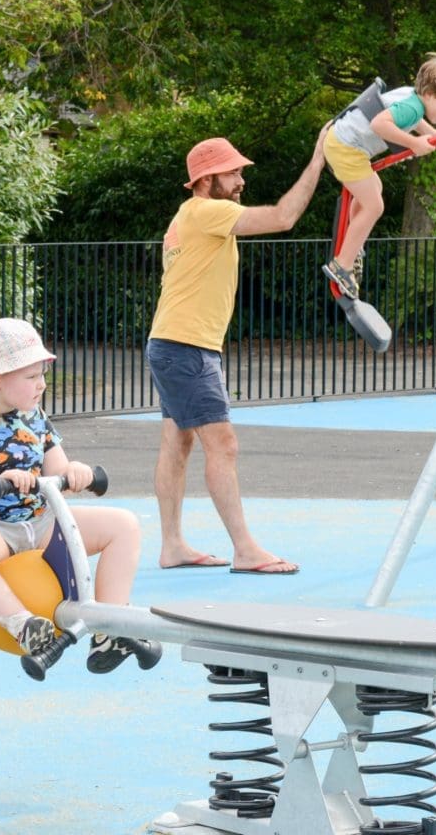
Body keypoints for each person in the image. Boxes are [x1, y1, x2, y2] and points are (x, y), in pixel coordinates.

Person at [0, 318, 161, 673]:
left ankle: (108, 629)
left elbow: (58, 469)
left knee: (123, 525)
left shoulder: (34, 416)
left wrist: (76, 472)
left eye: (42, 375)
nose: (42, 384)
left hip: (41, 521)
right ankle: (22, 625)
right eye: (32, 376)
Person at [147, 128, 328, 574]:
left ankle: (172, 545)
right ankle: (245, 549)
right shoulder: (207, 210)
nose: (241, 181)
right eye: (232, 173)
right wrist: (318, 160)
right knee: (223, 445)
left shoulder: (188, 216)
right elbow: (283, 217)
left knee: (177, 442)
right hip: (186, 345)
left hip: (173, 342)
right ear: (206, 179)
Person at [321, 54, 436, 299]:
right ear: (431, 94)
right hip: (346, 148)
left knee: (374, 188)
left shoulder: (412, 98)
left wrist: (432, 134)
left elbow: (414, 120)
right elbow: (379, 125)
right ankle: (342, 265)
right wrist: (414, 143)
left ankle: (353, 244)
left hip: (343, 143)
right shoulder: (412, 108)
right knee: (374, 206)